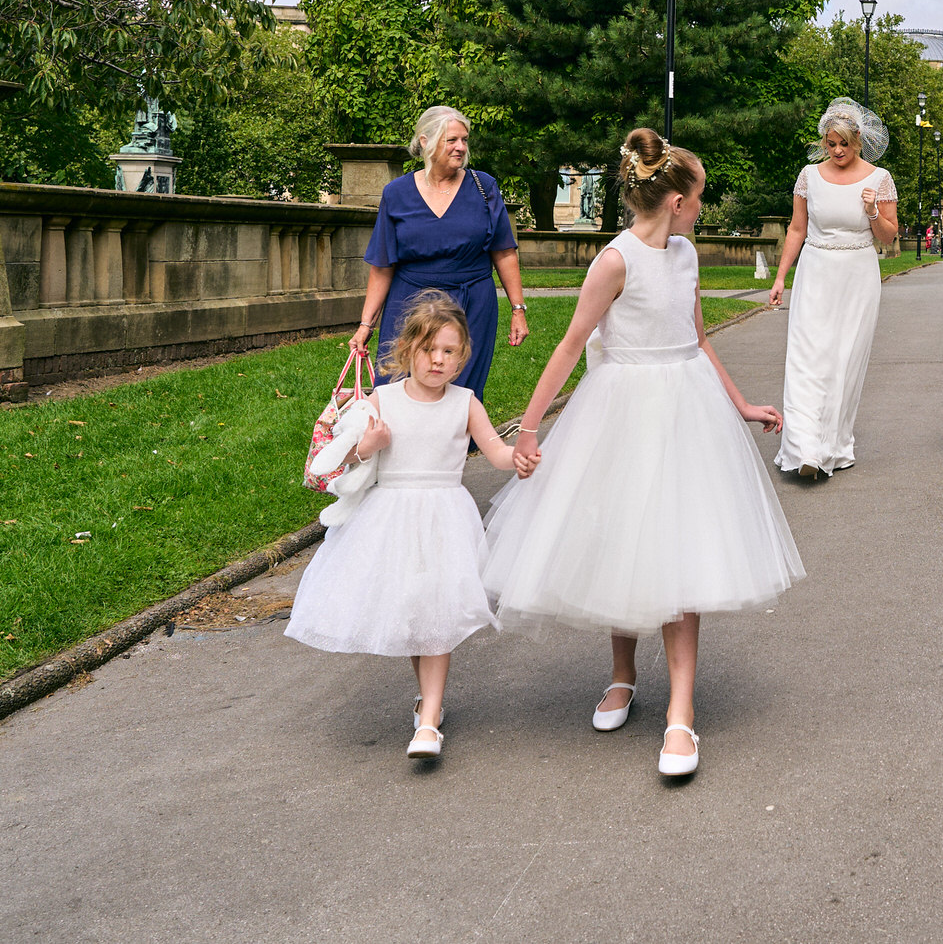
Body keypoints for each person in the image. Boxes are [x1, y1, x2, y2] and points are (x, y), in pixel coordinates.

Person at [483, 129, 801, 778]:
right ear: (678, 199)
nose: (703, 208)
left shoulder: (686, 256)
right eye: (702, 197)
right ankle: (623, 673)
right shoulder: (615, 260)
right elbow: (572, 344)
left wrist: (739, 403)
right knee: (626, 538)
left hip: (688, 407)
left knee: (678, 548)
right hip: (624, 406)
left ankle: (680, 712)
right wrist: (528, 428)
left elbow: (698, 338)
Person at [287, 292, 525, 761]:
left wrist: (518, 459)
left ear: (462, 358)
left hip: (444, 519)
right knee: (417, 612)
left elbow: (496, 451)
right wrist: (367, 445)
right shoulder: (383, 400)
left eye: (449, 352)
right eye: (428, 349)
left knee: (436, 612)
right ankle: (427, 701)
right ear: (408, 350)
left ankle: (430, 718)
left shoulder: (465, 403)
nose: (438, 360)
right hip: (391, 521)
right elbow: (339, 463)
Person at [349, 106, 529, 399]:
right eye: (451, 140)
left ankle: (454, 445)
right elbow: (382, 265)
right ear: (425, 142)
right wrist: (366, 324)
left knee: (460, 392)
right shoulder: (396, 193)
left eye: (465, 140)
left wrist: (518, 310)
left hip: (472, 303)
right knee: (395, 388)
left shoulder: (484, 187)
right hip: (408, 304)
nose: (461, 147)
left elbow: (505, 252)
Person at [768, 99, 899, 481]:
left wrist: (874, 211)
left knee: (844, 359)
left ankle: (834, 446)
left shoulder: (880, 178)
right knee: (807, 357)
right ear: (824, 142)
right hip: (815, 271)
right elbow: (796, 229)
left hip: (858, 274)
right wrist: (780, 278)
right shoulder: (809, 176)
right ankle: (804, 447)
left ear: (858, 140)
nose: (837, 151)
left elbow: (890, 237)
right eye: (830, 143)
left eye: (844, 143)